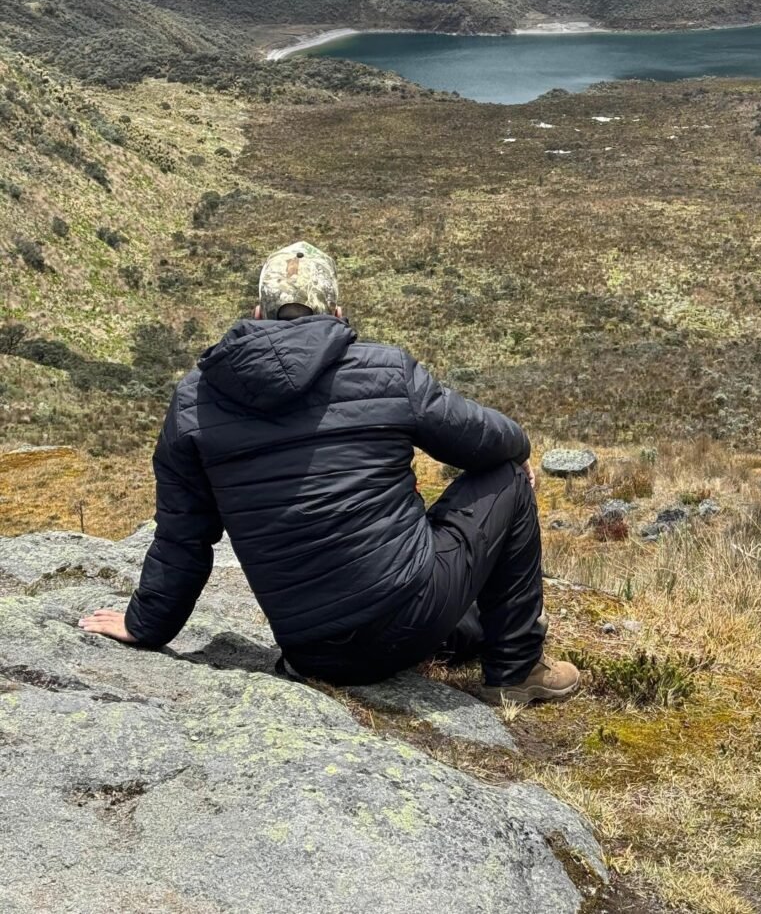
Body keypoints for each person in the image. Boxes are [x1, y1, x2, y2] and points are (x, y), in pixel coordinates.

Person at [79, 240, 579, 705]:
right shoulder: (384, 370)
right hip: (411, 620)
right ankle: (516, 670)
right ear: (337, 314)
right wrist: (518, 448)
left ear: (258, 315)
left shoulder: (194, 401)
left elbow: (182, 536)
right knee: (506, 478)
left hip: (311, 653)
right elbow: (487, 438)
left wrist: (143, 624)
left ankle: (458, 636)